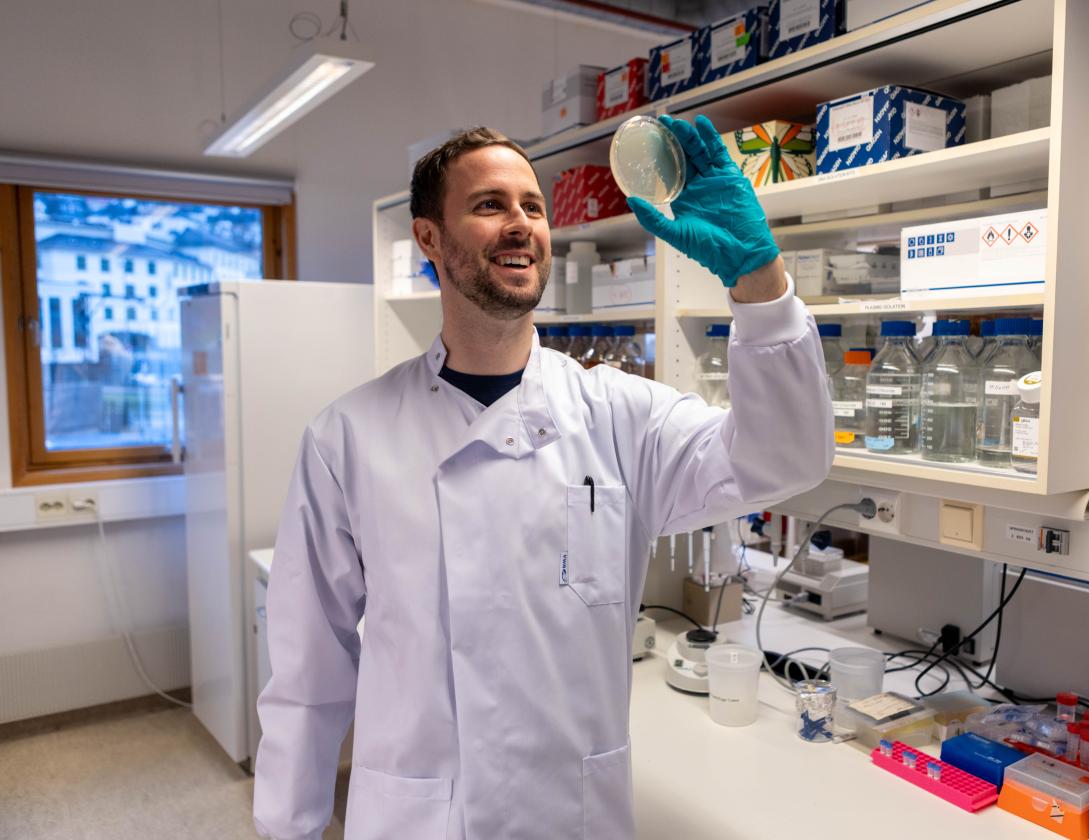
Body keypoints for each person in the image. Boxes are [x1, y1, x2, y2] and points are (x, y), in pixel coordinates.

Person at [253, 116, 832, 840]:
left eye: (532, 206)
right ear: (429, 238)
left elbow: (786, 459)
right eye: (490, 205)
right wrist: (289, 829)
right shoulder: (349, 437)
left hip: (573, 814)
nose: (521, 224)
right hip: (421, 818)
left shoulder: (620, 413)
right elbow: (308, 676)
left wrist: (761, 282)